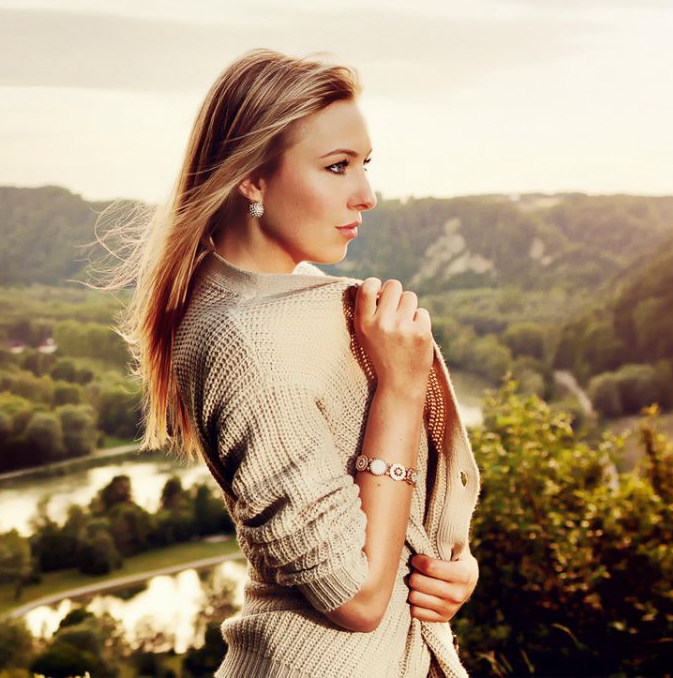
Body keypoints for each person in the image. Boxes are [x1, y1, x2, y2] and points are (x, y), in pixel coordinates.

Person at [88, 49, 482, 677]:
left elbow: (380, 526)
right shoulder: (245, 341)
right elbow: (355, 597)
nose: (367, 194)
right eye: (336, 167)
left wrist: (448, 569)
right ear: (253, 178)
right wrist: (401, 392)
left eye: (364, 165)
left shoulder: (287, 308)